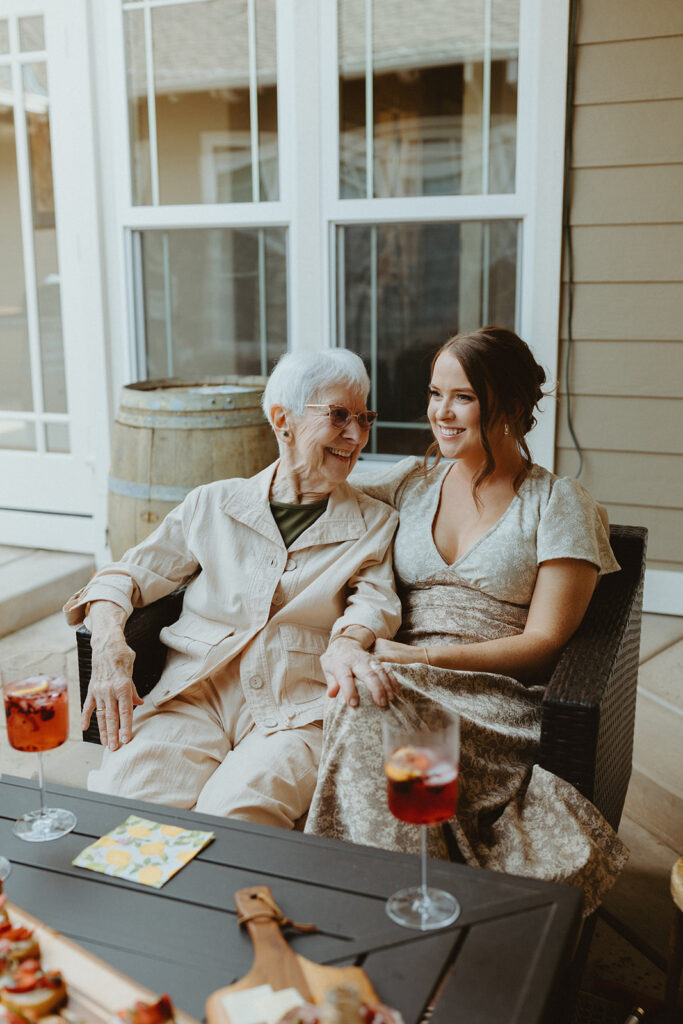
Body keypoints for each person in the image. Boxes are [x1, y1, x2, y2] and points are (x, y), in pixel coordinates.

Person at [305, 327, 627, 914]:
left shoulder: (558, 503)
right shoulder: (411, 483)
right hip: (403, 672)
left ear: (510, 405)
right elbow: (312, 483)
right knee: (364, 698)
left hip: (497, 695)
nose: (441, 413)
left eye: (463, 397)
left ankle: (364, 905)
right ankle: (383, 898)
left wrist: (419, 658)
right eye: (434, 394)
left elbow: (544, 642)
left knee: (368, 702)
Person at [64, 349, 401, 828]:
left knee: (234, 822)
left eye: (364, 419)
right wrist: (109, 647)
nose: (355, 435)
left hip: (295, 711)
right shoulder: (213, 503)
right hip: (193, 695)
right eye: (339, 416)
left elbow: (374, 602)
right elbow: (124, 576)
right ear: (283, 420)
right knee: (127, 809)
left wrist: (348, 642)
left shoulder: (374, 523)